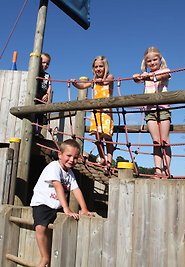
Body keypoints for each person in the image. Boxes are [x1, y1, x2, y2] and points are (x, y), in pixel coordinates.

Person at [30, 139, 94, 267]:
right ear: (60, 154)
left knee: (63, 227)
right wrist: (67, 208)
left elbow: (76, 190)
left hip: (56, 206)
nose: (72, 160)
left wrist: (84, 208)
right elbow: (58, 186)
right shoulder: (54, 167)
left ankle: (56, 256)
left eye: (75, 157)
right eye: (68, 156)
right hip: (42, 203)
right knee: (40, 227)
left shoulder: (70, 174)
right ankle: (44, 257)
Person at [132, 47, 172, 178]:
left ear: (160, 60)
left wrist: (148, 77)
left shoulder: (165, 70)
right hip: (150, 110)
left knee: (164, 141)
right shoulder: (145, 75)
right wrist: (137, 77)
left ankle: (166, 169)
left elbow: (164, 75)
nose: (153, 62)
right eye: (149, 61)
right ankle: (158, 170)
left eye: (155, 59)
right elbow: (137, 79)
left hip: (163, 108)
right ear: (145, 63)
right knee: (156, 141)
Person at [72, 55, 114, 175]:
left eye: (101, 66)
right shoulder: (93, 81)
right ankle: (103, 159)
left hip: (106, 112)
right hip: (96, 112)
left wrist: (100, 80)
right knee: (97, 136)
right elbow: (82, 86)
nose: (98, 69)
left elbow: (108, 81)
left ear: (105, 67)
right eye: (96, 67)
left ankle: (109, 161)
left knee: (107, 137)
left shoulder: (109, 77)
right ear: (93, 69)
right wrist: (75, 84)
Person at [34, 52, 52, 137]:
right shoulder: (34, 72)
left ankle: (38, 132)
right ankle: (33, 130)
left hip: (42, 99)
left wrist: (47, 95)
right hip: (34, 98)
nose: (45, 65)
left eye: (47, 63)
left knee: (41, 117)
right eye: (43, 62)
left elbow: (49, 87)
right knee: (33, 115)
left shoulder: (47, 75)